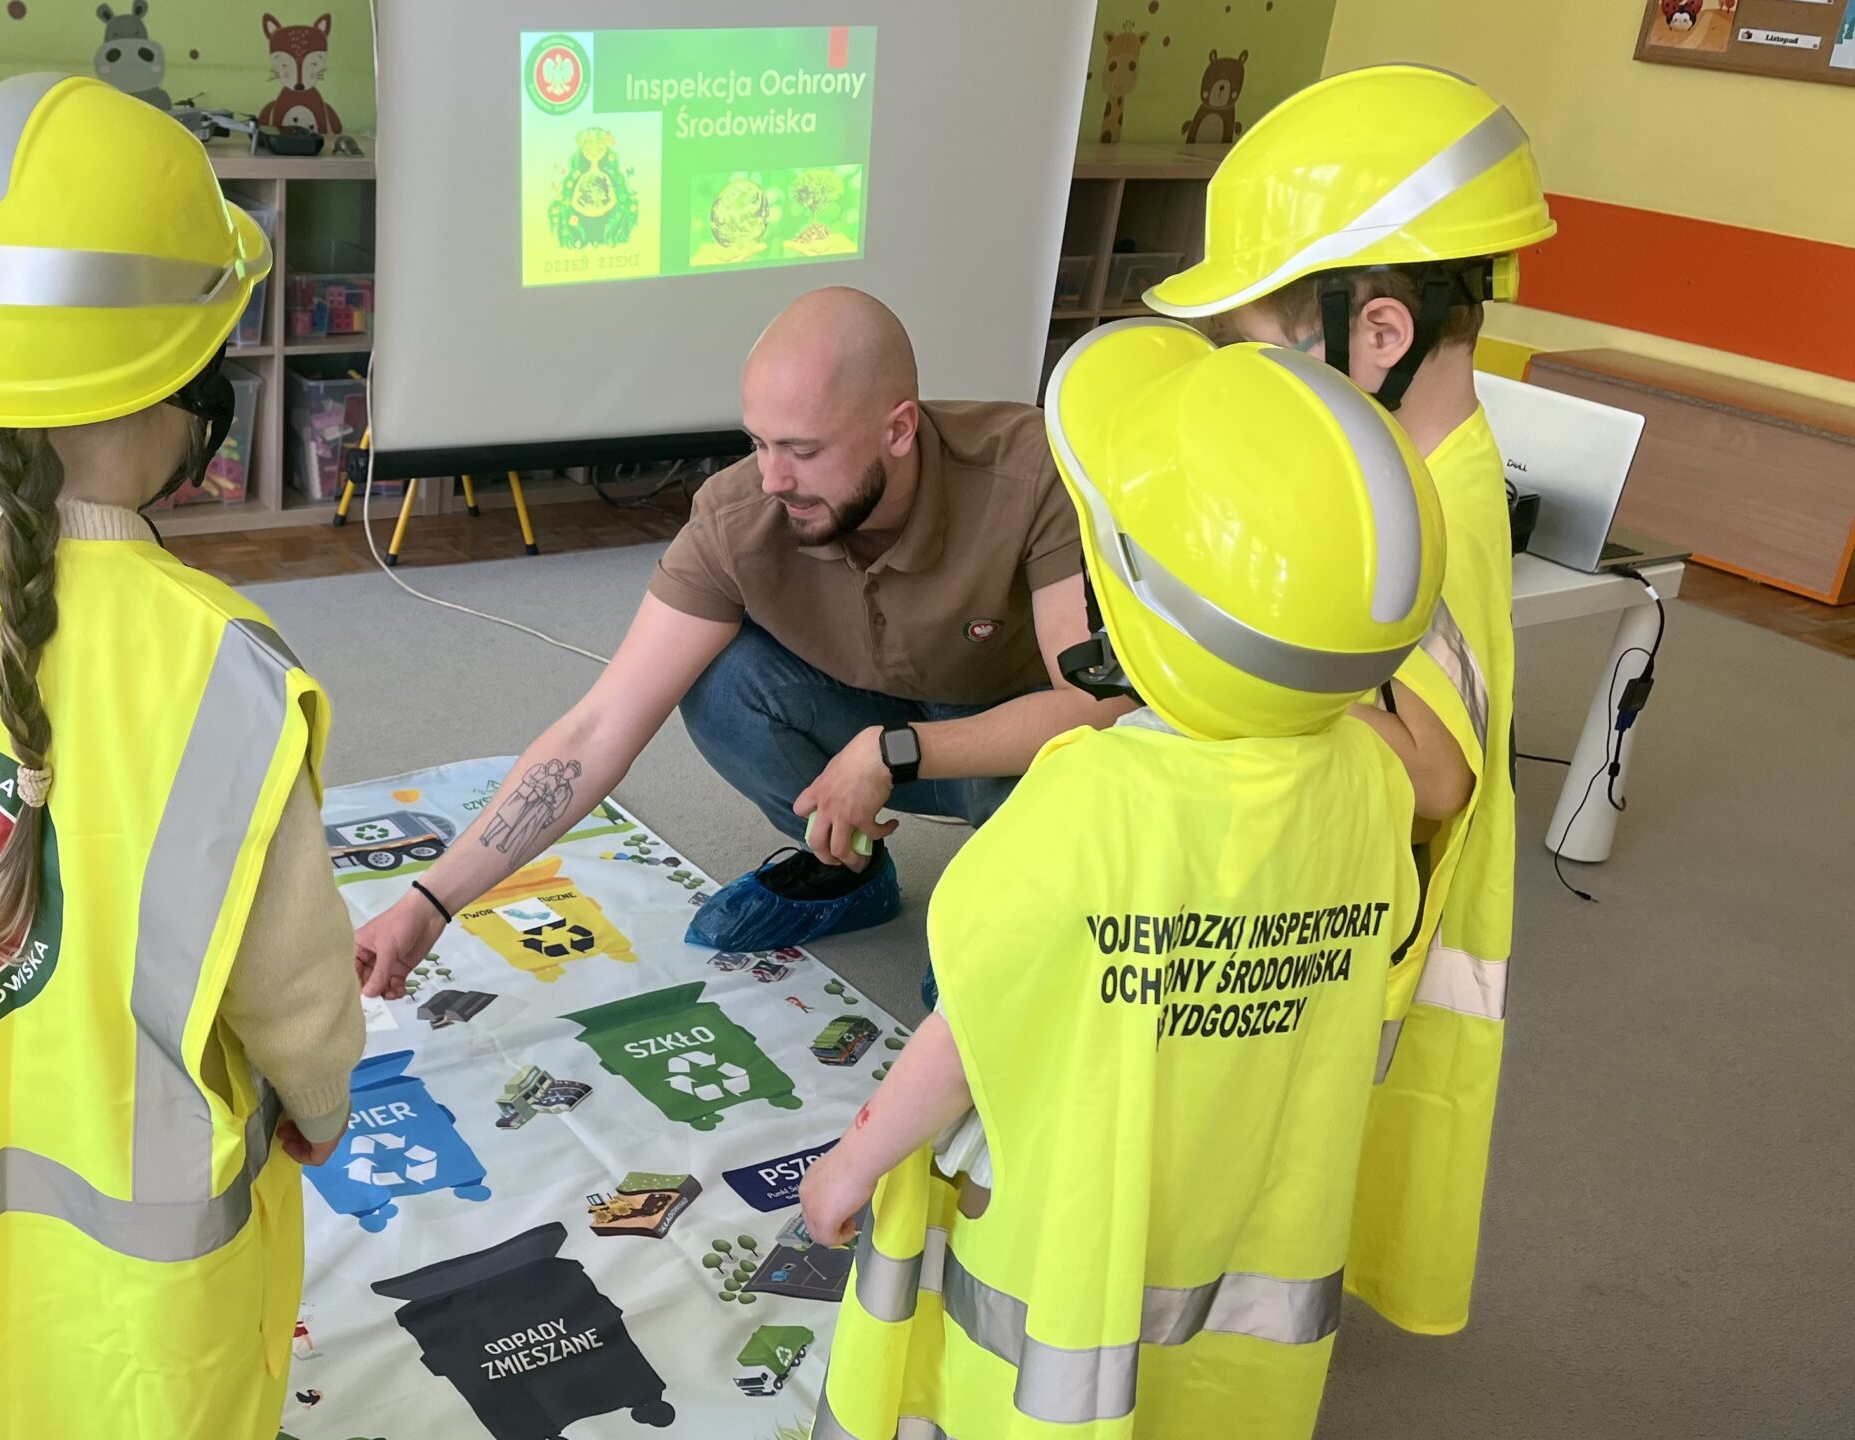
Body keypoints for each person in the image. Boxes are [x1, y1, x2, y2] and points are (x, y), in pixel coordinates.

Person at [0, 75, 362, 1439]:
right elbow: (293, 991)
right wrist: (323, 1104)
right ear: (181, 390)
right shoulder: (218, 665)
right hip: (159, 1299)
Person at [797, 319, 1445, 1438]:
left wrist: (853, 1162)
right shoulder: (1370, 780)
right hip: (1251, 1227)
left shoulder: (1090, 794)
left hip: (1066, 1249)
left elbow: (970, 1030)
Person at [353, 287, 1131, 1000]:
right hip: (866, 724)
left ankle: (1013, 890)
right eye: (758, 442)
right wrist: (428, 904)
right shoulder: (737, 518)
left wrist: (892, 750)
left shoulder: (1032, 473)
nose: (772, 478)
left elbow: (1100, 708)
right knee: (721, 679)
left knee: (981, 1000)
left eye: (803, 450)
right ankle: (847, 869)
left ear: (898, 429)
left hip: (1009, 747)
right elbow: (598, 726)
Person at [1144, 63, 1553, 1336]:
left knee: (1251, 1191)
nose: (1243, 375)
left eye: (1255, 347)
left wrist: (1247, 670)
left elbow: (1435, 773)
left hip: (1347, 939)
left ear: (1377, 334)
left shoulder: (1436, 515)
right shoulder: (1395, 466)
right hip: (1335, 904)